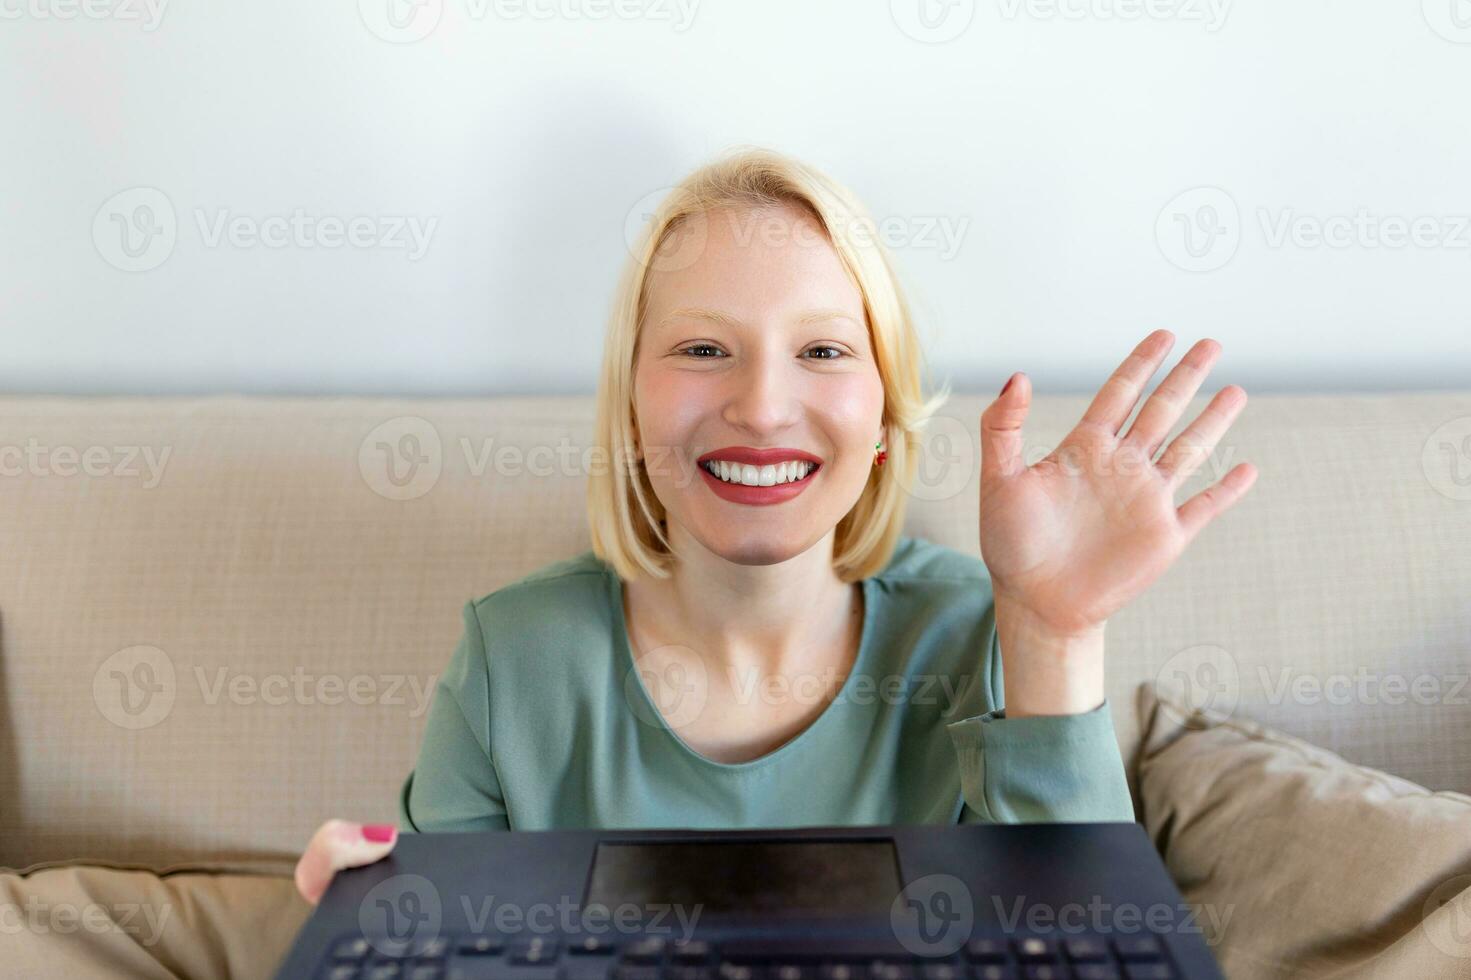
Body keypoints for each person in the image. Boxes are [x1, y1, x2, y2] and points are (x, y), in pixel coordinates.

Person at [294, 147, 1256, 905]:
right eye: (703, 348)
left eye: (823, 350)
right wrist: (369, 926)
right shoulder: (513, 658)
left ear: (883, 413)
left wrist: (1052, 634)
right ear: (631, 405)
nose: (760, 407)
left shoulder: (982, 631)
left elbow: (1072, 947)